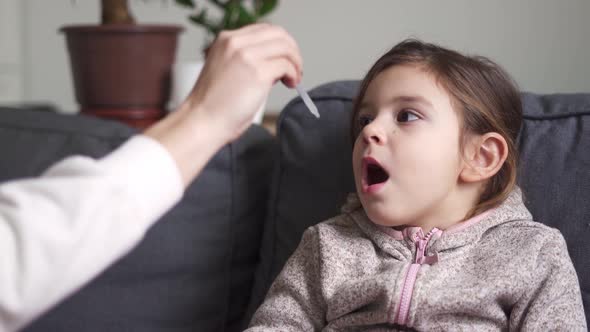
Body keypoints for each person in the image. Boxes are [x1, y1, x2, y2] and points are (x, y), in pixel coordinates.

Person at [247, 39, 587, 331]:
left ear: (480, 157)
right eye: (365, 119)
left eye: (406, 116)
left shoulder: (532, 253)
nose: (369, 131)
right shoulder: (326, 246)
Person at [0, 24, 303, 332]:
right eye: (357, 120)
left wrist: (203, 117)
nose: (358, 131)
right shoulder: (318, 250)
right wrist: (203, 118)